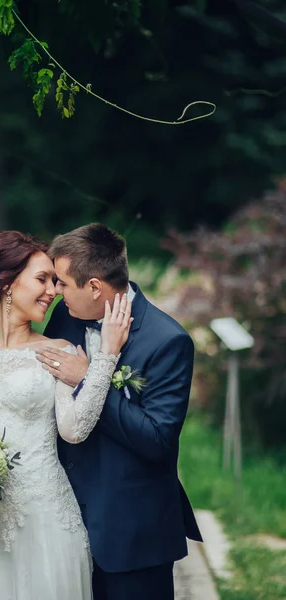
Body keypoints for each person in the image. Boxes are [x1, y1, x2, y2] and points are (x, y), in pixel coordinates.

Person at [0, 230, 132, 600]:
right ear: (8, 284)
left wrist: (106, 357)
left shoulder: (57, 351)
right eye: (42, 279)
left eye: (56, 281)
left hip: (48, 516)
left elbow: (74, 431)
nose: (54, 291)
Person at [33, 223, 202, 600]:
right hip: (63, 526)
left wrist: (88, 379)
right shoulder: (65, 316)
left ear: (95, 286)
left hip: (134, 535)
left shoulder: (167, 341)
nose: (54, 291)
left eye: (61, 282)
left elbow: (157, 439)